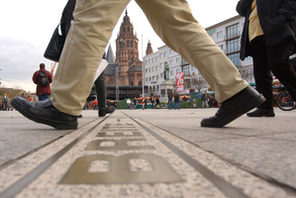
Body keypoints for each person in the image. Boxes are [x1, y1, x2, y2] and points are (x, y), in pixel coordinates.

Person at [11, 0, 265, 130]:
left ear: (130, 41)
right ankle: (235, 90)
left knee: (92, 14)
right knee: (178, 21)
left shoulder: (134, 58)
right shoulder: (125, 55)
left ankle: (64, 106)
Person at [236, 0, 296, 117]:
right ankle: (265, 107)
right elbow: (240, 9)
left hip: (275, 31)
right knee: (260, 72)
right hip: (254, 34)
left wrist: (281, 18)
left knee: (278, 65)